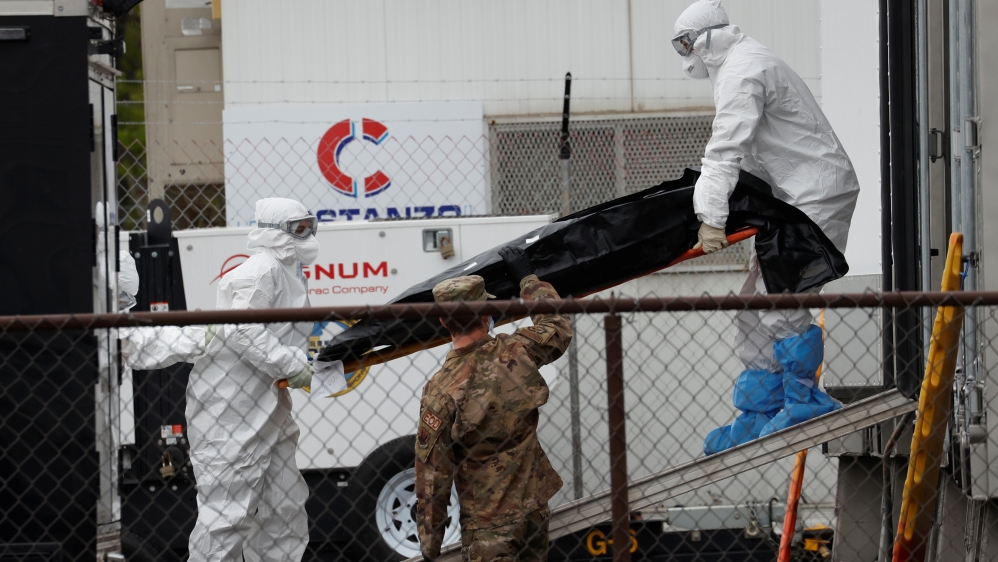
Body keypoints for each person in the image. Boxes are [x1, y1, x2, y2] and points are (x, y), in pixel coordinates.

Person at [671, 0, 861, 455]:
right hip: (790, 197)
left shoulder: (744, 70)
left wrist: (712, 217)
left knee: (782, 298)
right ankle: (761, 408)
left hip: (814, 193)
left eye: (685, 42)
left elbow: (725, 149)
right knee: (753, 306)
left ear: (708, 37)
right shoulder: (739, 65)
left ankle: (802, 398)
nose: (684, 53)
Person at [415, 246, 572, 562]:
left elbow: (434, 476)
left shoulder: (441, 391)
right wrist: (527, 278)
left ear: (443, 320)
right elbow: (556, 325)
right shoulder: (516, 351)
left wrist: (430, 547)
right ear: (487, 313)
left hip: (488, 524)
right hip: (533, 511)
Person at [185, 198, 319, 562]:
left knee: (284, 509)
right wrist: (291, 366)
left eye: (310, 225)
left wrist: (297, 364)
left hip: (268, 404)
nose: (309, 235)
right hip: (231, 410)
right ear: (276, 231)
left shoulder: (289, 272)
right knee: (227, 517)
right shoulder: (259, 271)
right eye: (300, 228)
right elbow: (244, 331)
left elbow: (280, 335)